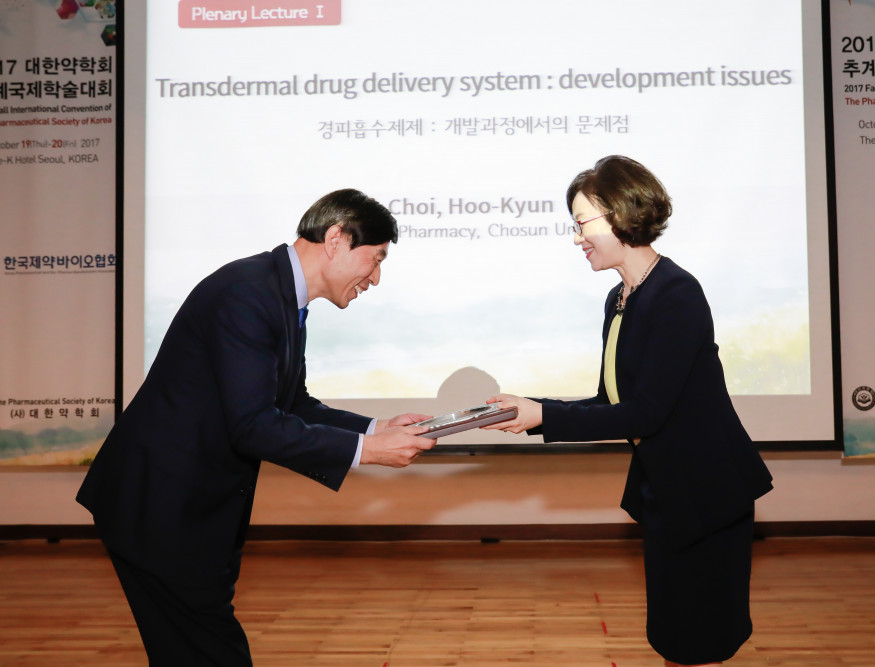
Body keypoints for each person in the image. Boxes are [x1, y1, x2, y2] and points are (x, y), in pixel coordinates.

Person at [76, 188, 437, 665]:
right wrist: (368, 451)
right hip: (159, 505)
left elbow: (293, 404)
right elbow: (252, 425)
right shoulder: (248, 293)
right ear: (336, 239)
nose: (376, 278)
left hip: (189, 508)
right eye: (375, 259)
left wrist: (377, 427)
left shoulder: (280, 295)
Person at [483, 156, 773, 666]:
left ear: (621, 214)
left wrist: (544, 416)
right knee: (673, 637)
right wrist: (531, 408)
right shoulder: (620, 298)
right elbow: (609, 402)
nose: (577, 238)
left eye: (582, 223)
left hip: (706, 493)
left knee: (700, 641)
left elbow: (646, 413)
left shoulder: (677, 293)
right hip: (665, 491)